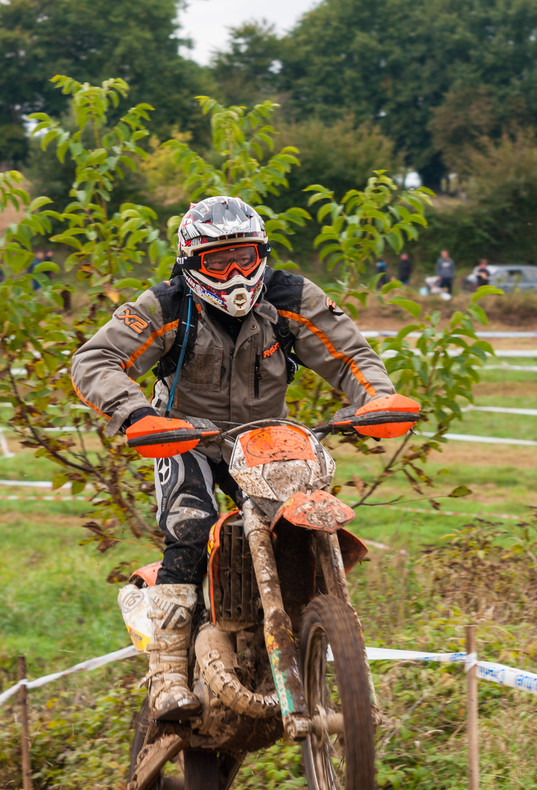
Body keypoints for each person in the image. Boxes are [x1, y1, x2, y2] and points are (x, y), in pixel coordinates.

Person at [71, 195, 411, 721]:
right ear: (192, 263)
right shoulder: (166, 305)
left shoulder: (290, 296)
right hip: (183, 438)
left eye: (244, 258)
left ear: (262, 255)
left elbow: (349, 355)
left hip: (262, 440)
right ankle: (167, 675)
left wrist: (377, 399)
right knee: (191, 527)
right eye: (218, 261)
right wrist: (136, 415)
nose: (234, 273)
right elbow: (96, 358)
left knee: (299, 521)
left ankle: (318, 647)